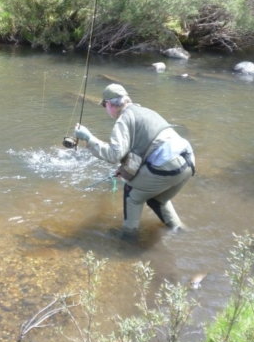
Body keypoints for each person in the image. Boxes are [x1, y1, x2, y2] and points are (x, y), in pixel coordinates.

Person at [75, 83, 195, 237]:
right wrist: (124, 171)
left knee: (132, 194)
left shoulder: (124, 119)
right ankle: (182, 231)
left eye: (104, 106)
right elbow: (143, 149)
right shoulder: (145, 111)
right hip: (188, 161)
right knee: (157, 199)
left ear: (110, 104)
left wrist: (88, 138)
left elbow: (114, 155)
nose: (106, 110)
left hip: (168, 165)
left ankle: (129, 239)